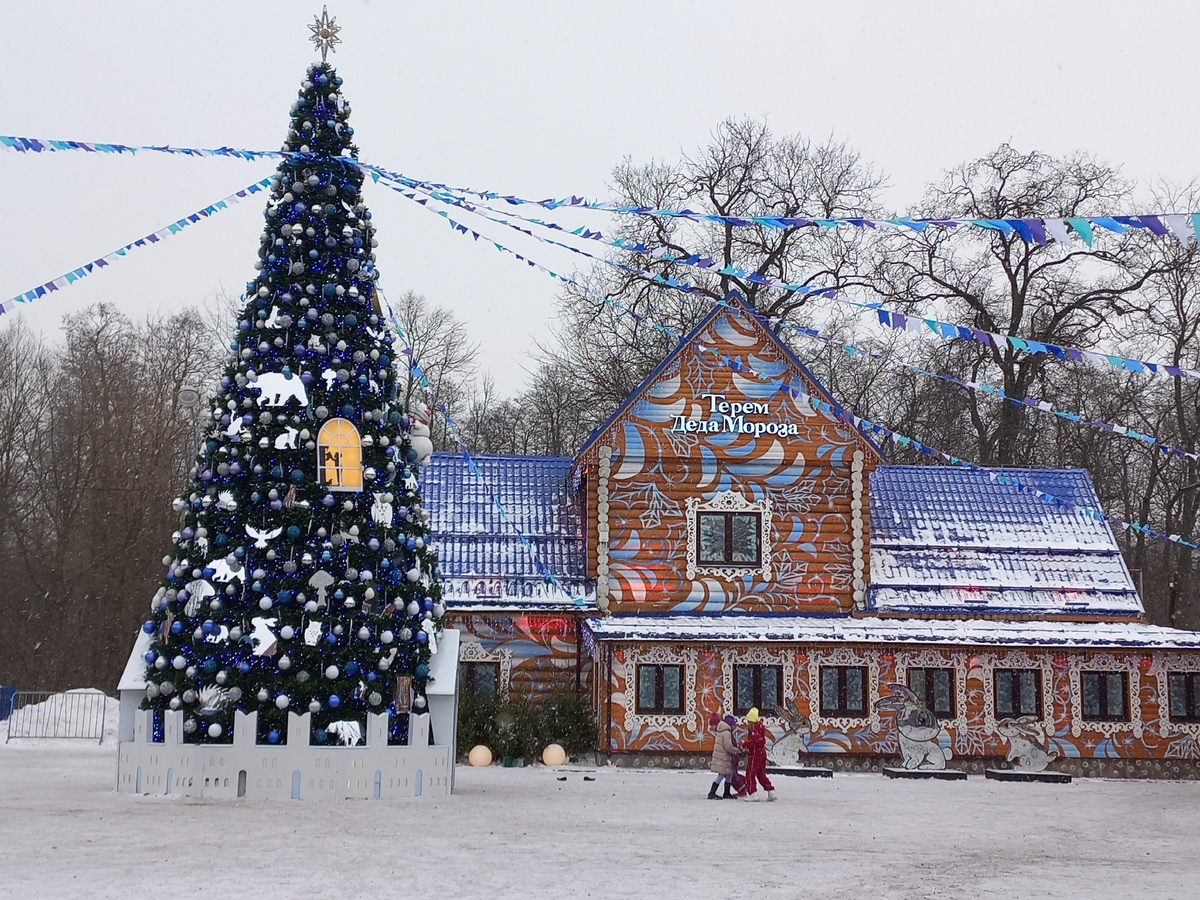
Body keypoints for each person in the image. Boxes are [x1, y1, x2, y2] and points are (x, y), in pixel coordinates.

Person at [736, 707, 776, 801]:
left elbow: (754, 742)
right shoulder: (760, 728)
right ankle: (771, 791)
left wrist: (744, 744)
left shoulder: (755, 730)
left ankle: (753, 793)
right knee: (761, 774)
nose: (747, 723)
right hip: (762, 752)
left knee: (750, 773)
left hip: (756, 753)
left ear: (752, 721)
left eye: (749, 721)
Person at [707, 712, 739, 799]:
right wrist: (736, 750)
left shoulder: (721, 731)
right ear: (730, 725)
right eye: (734, 725)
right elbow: (728, 747)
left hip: (722, 757)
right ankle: (712, 793)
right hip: (724, 757)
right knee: (721, 775)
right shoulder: (727, 733)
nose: (735, 727)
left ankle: (727, 792)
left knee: (729, 774)